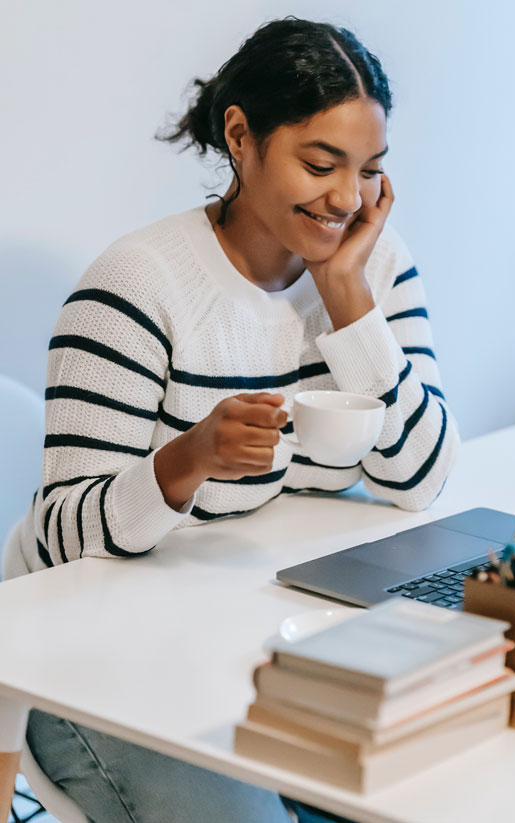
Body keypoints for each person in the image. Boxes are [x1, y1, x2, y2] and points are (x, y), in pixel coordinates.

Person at [1, 16, 460, 822]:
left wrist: (348, 296)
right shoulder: (136, 287)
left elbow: (419, 478)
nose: (348, 200)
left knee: (444, 777)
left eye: (369, 171)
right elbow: (58, 537)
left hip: (263, 645)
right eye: (320, 164)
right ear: (240, 138)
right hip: (91, 669)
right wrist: (189, 457)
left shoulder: (376, 266)